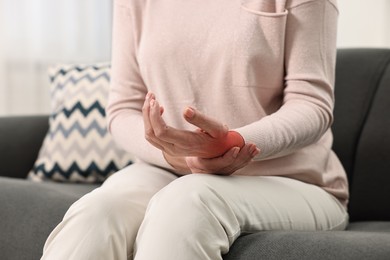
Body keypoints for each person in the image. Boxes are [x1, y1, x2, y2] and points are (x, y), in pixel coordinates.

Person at [41, 0, 349, 259]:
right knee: (98, 212)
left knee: (188, 202)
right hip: (168, 169)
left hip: (292, 181)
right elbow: (123, 107)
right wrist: (177, 155)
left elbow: (312, 105)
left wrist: (233, 143)